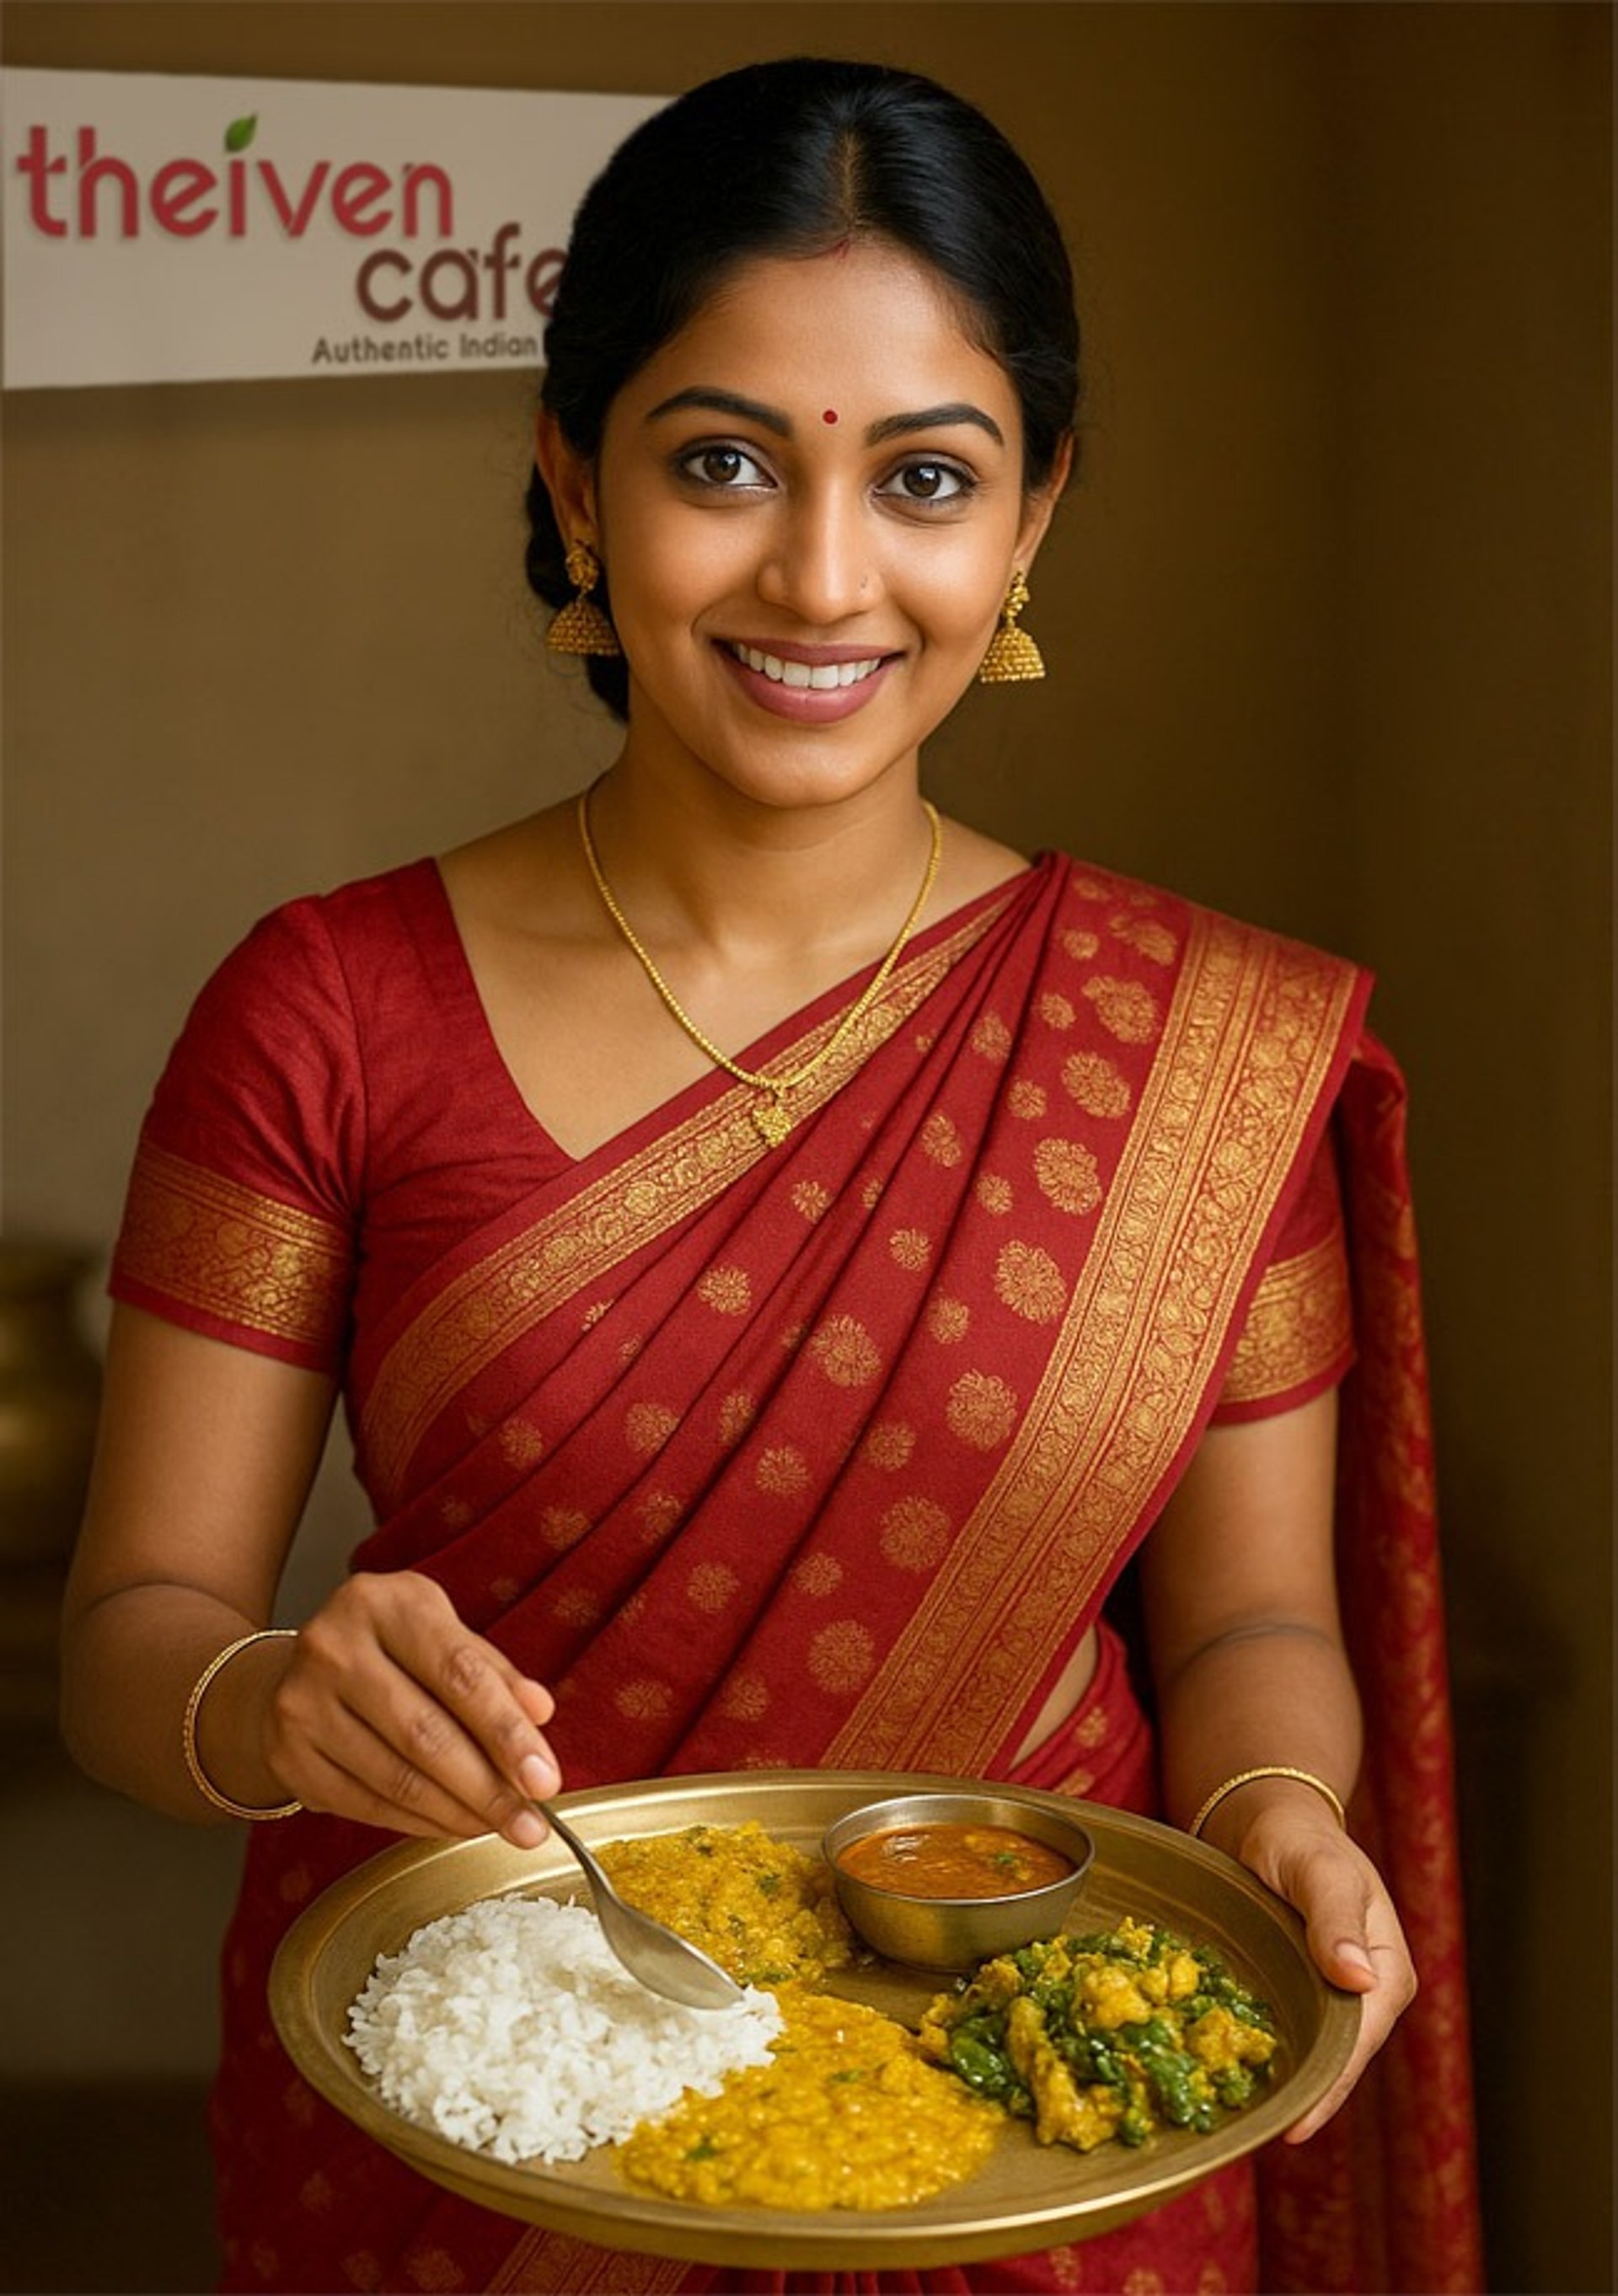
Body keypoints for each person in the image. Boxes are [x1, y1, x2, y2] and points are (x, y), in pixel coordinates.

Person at [61, 56, 1481, 2296]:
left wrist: (1277, 1825)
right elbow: (133, 1641)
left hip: (1031, 2129)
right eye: (721, 460)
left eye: (927, 476)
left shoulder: (1196, 1046)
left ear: (1031, 521)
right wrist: (266, 1699)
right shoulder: (326, 1007)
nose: (824, 576)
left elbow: (1256, 1620)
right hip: (500, 2118)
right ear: (573, 478)